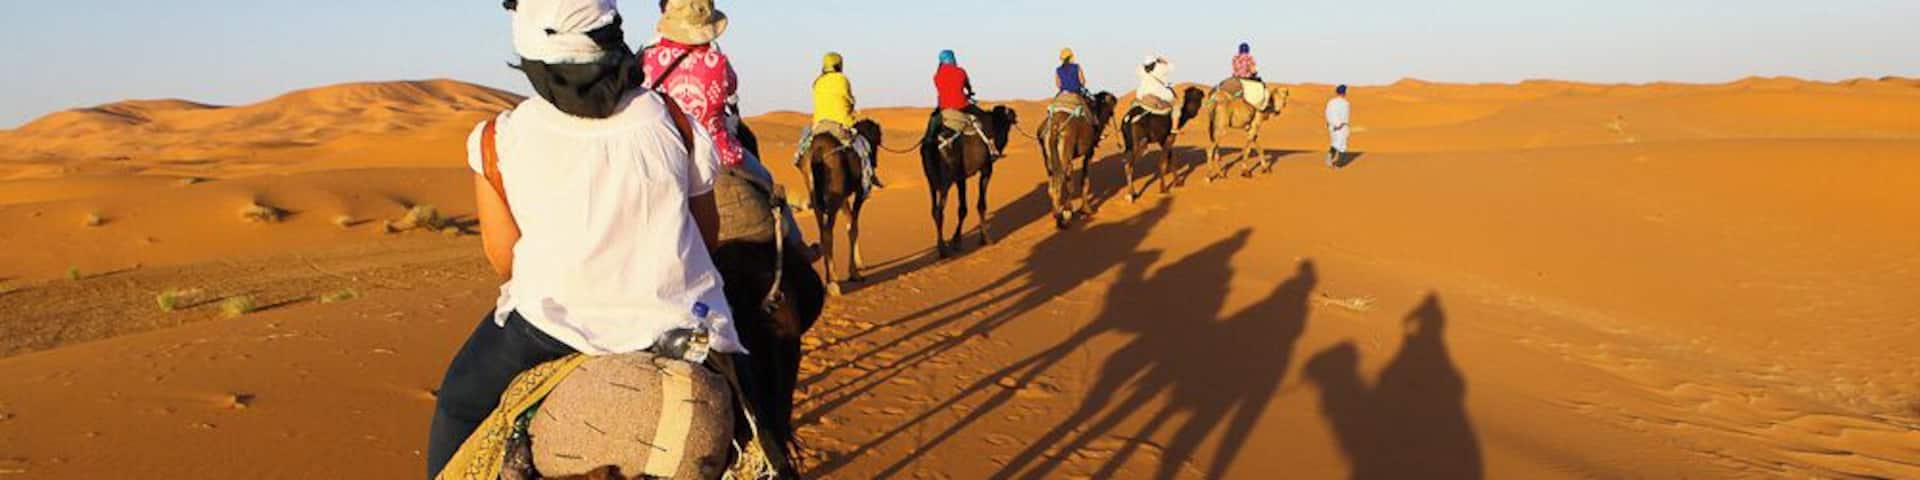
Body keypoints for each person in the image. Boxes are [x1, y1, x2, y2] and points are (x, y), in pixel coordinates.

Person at [425, 0, 738, 477]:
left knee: (459, 404)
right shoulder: (672, 120)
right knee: (751, 409)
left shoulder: (498, 138)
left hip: (548, 326)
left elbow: (503, 259)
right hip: (677, 321)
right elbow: (707, 234)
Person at [643, 0, 809, 249]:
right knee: (769, 183)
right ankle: (798, 246)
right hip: (717, 152)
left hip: (662, 152)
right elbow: (731, 86)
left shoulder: (646, 59)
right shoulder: (716, 61)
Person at [799, 51, 881, 190]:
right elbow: (849, 99)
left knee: (803, 148)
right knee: (863, 148)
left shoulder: (817, 82)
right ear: (839, 65)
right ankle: (868, 178)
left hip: (819, 126)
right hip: (841, 125)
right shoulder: (842, 79)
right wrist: (851, 105)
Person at [930, 49, 993, 155]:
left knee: (933, 120)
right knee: (985, 117)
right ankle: (991, 144)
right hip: (961, 105)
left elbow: (941, 90)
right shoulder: (960, 72)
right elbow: (967, 85)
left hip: (943, 106)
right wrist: (970, 92)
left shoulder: (936, 76)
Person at [1326, 84, 1352, 168]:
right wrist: (1339, 124)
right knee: (1342, 146)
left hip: (1332, 126)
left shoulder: (1331, 102)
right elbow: (1345, 116)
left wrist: (1331, 123)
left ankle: (1330, 158)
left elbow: (1328, 113)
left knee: (1335, 142)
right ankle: (1338, 165)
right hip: (1341, 127)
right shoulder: (1345, 103)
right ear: (1344, 93)